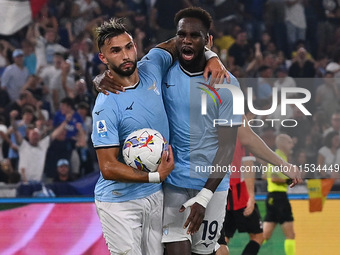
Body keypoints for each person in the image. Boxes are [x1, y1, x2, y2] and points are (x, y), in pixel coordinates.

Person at [91, 14, 230, 255]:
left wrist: (213, 56)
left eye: (128, 47)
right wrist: (155, 177)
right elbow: (107, 167)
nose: (125, 55)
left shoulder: (152, 66)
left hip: (155, 197)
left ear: (136, 47)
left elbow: (182, 42)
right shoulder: (106, 104)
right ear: (103, 57)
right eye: (115, 51)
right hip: (119, 201)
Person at [263, 134, 296, 255]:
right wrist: (290, 180)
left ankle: (251, 248)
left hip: (273, 197)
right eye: (289, 142)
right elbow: (273, 178)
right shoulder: (278, 157)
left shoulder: (280, 157)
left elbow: (265, 176)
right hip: (279, 198)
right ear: (282, 144)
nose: (292, 145)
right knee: (290, 235)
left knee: (264, 236)